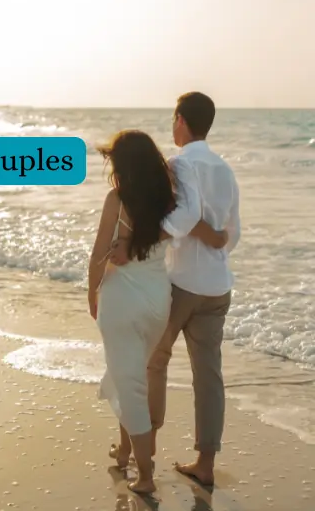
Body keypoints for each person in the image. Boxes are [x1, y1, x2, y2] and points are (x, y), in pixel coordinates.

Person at [111, 92, 241, 487]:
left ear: (181, 120)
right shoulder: (225, 169)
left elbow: (182, 215)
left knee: (153, 363)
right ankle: (205, 463)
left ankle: (141, 453)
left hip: (181, 283)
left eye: (173, 119)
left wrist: (139, 246)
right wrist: (211, 237)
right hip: (218, 286)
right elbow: (229, 235)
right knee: (209, 374)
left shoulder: (179, 163)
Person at [88, 129, 227, 494]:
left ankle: (146, 476)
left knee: (131, 382)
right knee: (126, 372)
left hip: (122, 299)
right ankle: (123, 452)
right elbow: (187, 223)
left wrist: (91, 291)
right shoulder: (168, 200)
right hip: (157, 301)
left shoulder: (117, 199)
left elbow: (99, 252)